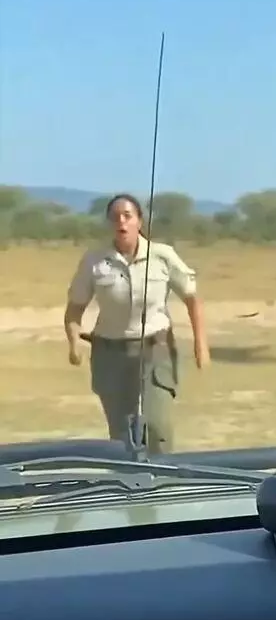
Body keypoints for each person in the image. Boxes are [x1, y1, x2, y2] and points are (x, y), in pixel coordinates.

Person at [63, 193, 210, 453]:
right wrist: (74, 343)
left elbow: (192, 298)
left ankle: (163, 482)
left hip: (156, 350)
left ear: (139, 222)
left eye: (127, 216)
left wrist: (201, 345)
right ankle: (129, 485)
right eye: (115, 217)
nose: (121, 221)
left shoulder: (163, 256)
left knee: (156, 425)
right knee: (122, 432)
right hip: (110, 353)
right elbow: (75, 308)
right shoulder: (95, 261)